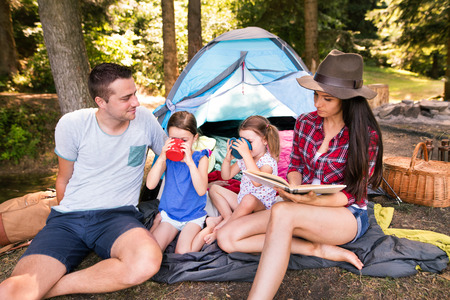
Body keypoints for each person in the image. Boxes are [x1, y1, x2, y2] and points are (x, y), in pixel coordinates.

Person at [216, 49, 384, 299]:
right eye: (316, 95)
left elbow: (351, 194)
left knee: (282, 211)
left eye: (327, 98)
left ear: (347, 100)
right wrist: (293, 189)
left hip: (344, 214)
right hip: (300, 205)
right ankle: (317, 249)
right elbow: (295, 166)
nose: (317, 103)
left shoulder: (365, 135)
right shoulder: (306, 122)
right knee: (227, 237)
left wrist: (310, 200)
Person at [0, 63, 168, 298]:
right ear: (101, 101)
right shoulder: (72, 124)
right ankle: (38, 285)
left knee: (146, 262)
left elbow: (172, 155)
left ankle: (50, 288)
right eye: (126, 98)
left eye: (135, 94)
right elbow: (63, 178)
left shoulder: (145, 120)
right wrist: (64, 214)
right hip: (69, 219)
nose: (136, 103)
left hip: (118, 217)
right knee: (17, 289)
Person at [147, 111, 222, 253]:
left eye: (184, 140)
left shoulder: (201, 158)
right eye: (174, 139)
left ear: (195, 138)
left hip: (193, 215)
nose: (179, 144)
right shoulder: (168, 158)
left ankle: (210, 225)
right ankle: (158, 222)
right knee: (152, 250)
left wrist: (190, 163)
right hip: (170, 215)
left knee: (182, 253)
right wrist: (162, 157)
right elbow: (150, 184)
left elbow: (201, 190)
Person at [205, 115, 280, 244]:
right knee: (214, 188)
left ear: (265, 140)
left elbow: (257, 182)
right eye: (242, 141)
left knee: (249, 199)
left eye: (249, 142)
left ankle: (224, 227)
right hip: (241, 203)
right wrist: (228, 159)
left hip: (259, 208)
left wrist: (245, 154)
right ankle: (228, 216)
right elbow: (226, 176)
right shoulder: (244, 159)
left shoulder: (268, 163)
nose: (246, 147)